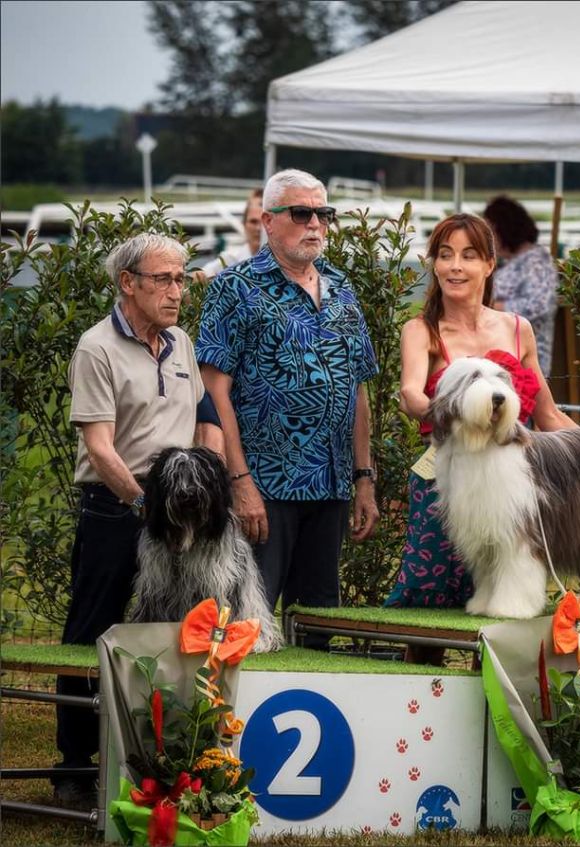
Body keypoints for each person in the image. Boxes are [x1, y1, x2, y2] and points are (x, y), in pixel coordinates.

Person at [54, 233, 223, 809]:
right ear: (128, 283)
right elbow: (100, 448)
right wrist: (144, 507)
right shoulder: (96, 348)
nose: (177, 291)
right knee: (90, 632)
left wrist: (210, 480)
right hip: (116, 507)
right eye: (164, 280)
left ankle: (168, 754)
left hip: (183, 508)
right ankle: (73, 766)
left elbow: (206, 417)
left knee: (177, 630)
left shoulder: (179, 342)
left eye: (181, 278)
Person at [196, 169, 379, 649]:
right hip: (264, 486)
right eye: (301, 213)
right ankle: (231, 723)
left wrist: (364, 477)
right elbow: (214, 393)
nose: (315, 224)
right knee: (245, 625)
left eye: (323, 214)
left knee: (317, 623)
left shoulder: (341, 288)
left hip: (332, 484)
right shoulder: (234, 288)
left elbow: (357, 387)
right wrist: (239, 482)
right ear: (268, 222)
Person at [385, 213, 575, 620]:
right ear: (434, 264)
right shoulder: (422, 330)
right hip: (444, 481)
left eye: (469, 255)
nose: (455, 266)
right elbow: (410, 393)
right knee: (430, 606)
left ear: (489, 264)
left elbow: (548, 414)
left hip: (509, 485)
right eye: (445, 254)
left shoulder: (517, 328)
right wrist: (442, 411)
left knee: (503, 601)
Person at [482, 195, 560, 377]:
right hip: (502, 357)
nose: (489, 240)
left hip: (526, 360)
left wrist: (494, 307)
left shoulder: (536, 261)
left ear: (504, 229)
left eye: (491, 232)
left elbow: (539, 304)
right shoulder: (510, 262)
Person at [199, 189, 264, 278]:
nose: (259, 228)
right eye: (253, 222)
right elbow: (200, 275)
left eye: (263, 222)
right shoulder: (231, 258)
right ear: (244, 225)